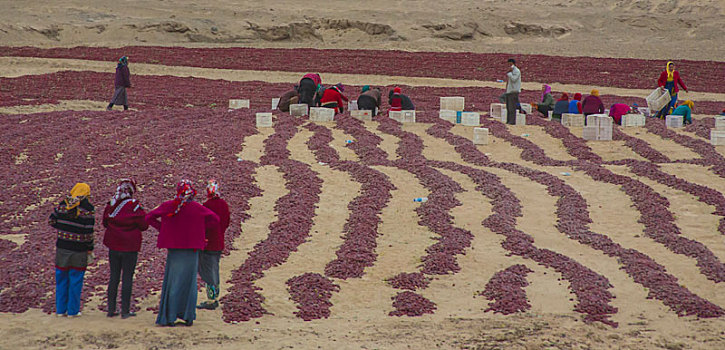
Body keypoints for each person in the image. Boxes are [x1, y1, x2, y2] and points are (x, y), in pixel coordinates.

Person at [146, 180, 220, 327]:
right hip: (191, 251)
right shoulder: (197, 208)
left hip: (174, 250)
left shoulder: (169, 206)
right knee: (189, 283)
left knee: (173, 282)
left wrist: (164, 229)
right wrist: (200, 230)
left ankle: (170, 316)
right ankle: (187, 317)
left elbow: (149, 217)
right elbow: (215, 220)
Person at [102, 179, 148, 319]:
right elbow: (144, 225)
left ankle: (111, 309)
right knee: (127, 277)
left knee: (114, 277)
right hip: (130, 247)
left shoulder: (111, 204)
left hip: (114, 245)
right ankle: (125, 311)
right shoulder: (134, 206)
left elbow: (105, 222)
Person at [49, 183, 95, 317]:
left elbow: (51, 221)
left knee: (61, 279)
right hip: (79, 250)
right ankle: (73, 311)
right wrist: (90, 248)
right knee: (76, 280)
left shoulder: (63, 204)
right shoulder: (88, 209)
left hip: (62, 247)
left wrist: (62, 229)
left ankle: (60, 310)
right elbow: (88, 233)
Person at [197, 180, 230, 310]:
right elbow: (226, 222)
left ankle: (211, 300)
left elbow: (203, 225)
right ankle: (215, 296)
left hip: (208, 243)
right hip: (219, 242)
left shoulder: (206, 205)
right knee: (215, 269)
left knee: (207, 271)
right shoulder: (224, 204)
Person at [503, 58, 521, 125]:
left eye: (510, 64)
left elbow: (514, 79)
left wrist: (510, 73)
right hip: (509, 91)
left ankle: (512, 121)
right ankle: (508, 120)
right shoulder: (512, 71)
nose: (509, 66)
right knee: (508, 107)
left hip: (514, 91)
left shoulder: (517, 71)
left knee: (512, 107)